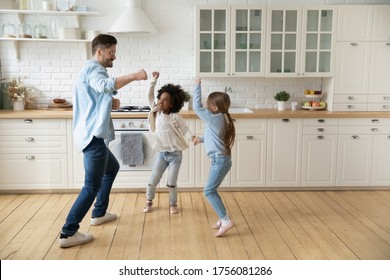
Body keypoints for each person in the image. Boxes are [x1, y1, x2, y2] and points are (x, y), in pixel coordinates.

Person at [59, 34, 147, 248]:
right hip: (93, 137)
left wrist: (110, 103)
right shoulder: (93, 69)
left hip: (92, 135)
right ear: (99, 51)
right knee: (91, 185)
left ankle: (99, 213)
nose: (114, 57)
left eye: (115, 52)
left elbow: (98, 94)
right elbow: (104, 85)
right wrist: (135, 75)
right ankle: (68, 232)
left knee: (111, 168)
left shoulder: (91, 70)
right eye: (111, 52)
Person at [143, 71, 198, 214]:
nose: (161, 101)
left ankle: (173, 204)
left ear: (173, 103)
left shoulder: (175, 117)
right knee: (153, 178)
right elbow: (149, 95)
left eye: (165, 100)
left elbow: (185, 130)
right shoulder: (156, 112)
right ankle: (149, 201)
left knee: (171, 182)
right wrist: (153, 80)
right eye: (160, 98)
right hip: (162, 154)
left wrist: (192, 137)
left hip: (175, 155)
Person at [192, 78, 236, 237]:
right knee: (212, 190)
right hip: (221, 160)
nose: (206, 106)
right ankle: (222, 217)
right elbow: (215, 137)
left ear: (215, 107)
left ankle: (226, 220)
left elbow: (196, 107)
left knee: (209, 191)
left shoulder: (215, 118)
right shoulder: (221, 118)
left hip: (220, 161)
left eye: (208, 104)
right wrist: (201, 139)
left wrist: (197, 85)